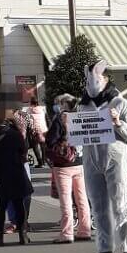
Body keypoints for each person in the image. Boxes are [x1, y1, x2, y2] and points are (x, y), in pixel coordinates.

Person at [80, 60, 127, 253]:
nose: (93, 83)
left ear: (105, 79)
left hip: (115, 160)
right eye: (90, 79)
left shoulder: (120, 102)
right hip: (91, 160)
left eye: (97, 78)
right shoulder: (83, 104)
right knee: (98, 207)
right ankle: (105, 249)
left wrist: (118, 123)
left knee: (121, 204)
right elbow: (80, 135)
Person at [0, 99, 33, 246]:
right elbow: (24, 152)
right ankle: (23, 236)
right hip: (15, 173)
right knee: (18, 204)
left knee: (0, 207)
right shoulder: (14, 133)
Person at [45, 93, 92, 244]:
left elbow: (50, 140)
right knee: (82, 198)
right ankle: (85, 230)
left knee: (66, 200)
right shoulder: (80, 118)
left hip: (63, 165)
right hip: (79, 162)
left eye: (58, 103)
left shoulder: (59, 119)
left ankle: (67, 233)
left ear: (63, 105)